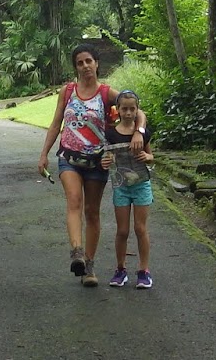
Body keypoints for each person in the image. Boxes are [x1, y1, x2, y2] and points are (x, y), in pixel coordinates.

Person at [38, 44, 145, 287]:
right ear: (75, 67)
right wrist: (43, 154)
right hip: (69, 158)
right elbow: (56, 124)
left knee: (92, 212)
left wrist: (138, 132)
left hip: (98, 161)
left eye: (89, 61)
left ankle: (89, 265)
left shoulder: (107, 93)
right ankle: (76, 251)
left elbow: (138, 111)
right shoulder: (67, 92)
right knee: (74, 200)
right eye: (80, 63)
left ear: (97, 63)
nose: (85, 66)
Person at [101, 89, 155, 289]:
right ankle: (120, 269)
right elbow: (105, 158)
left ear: (137, 110)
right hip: (121, 186)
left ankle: (144, 270)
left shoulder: (143, 134)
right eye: (125, 109)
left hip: (141, 185)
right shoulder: (111, 134)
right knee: (122, 230)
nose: (129, 113)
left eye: (133, 109)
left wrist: (147, 157)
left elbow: (151, 156)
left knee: (140, 228)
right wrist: (105, 162)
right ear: (118, 110)